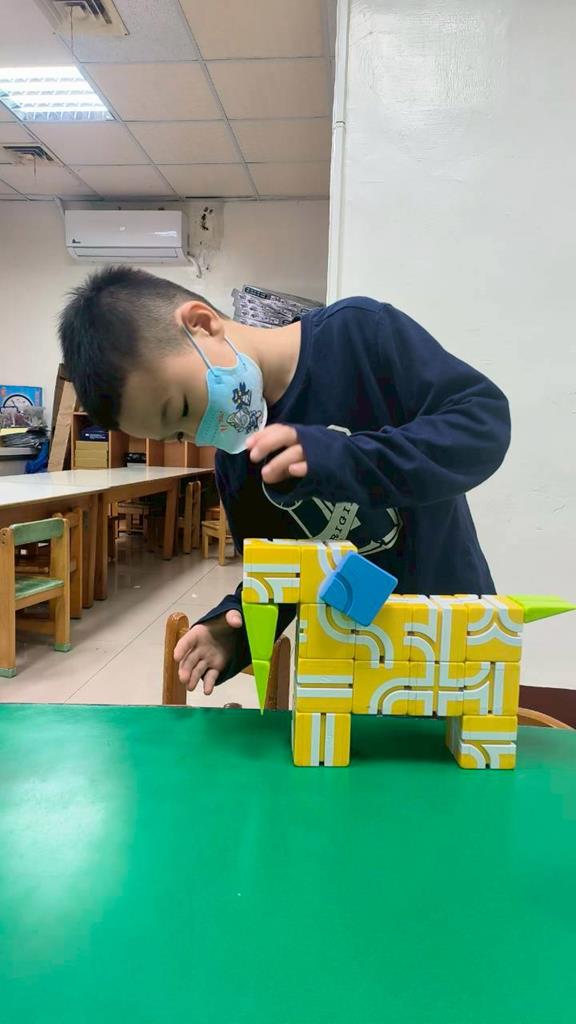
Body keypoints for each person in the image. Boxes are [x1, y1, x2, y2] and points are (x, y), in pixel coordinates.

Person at [59, 266, 511, 695]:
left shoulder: (358, 335)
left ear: (202, 324)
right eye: (179, 434)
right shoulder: (237, 464)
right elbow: (282, 578)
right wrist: (232, 631)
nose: (200, 434)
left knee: (467, 745)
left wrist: (344, 459)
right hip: (351, 661)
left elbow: (482, 425)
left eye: (182, 409)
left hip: (455, 626)